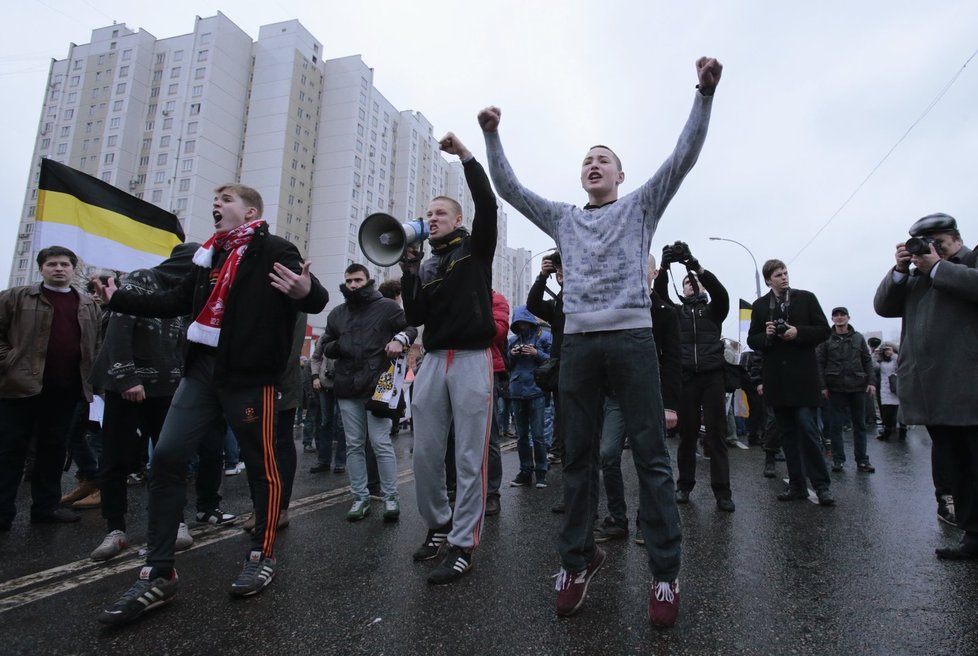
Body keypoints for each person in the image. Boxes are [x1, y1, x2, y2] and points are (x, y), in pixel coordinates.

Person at [481, 56, 722, 627]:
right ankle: (577, 560)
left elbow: (683, 155)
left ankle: (665, 574)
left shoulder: (641, 205)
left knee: (651, 459)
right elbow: (509, 188)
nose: (593, 164)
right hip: (581, 348)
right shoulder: (563, 218)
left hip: (633, 339)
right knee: (578, 457)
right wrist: (492, 135)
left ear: (619, 174)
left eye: (603, 159)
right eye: (587, 160)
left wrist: (704, 94)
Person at [94, 183, 328, 625]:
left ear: (251, 210)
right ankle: (159, 572)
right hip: (201, 372)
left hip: (249, 377)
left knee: (263, 466)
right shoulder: (209, 256)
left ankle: (262, 553)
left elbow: (315, 297)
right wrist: (118, 297)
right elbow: (174, 301)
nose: (215, 206)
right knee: (165, 456)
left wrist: (305, 291)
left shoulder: (276, 248)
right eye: (214, 199)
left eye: (225, 200)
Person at [400, 131, 498, 585]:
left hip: (473, 358)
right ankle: (439, 525)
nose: (431, 218)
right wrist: (407, 269)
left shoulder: (474, 249)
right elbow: (416, 314)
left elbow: (489, 205)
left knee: (468, 455)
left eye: (440, 212)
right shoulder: (428, 263)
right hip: (435, 360)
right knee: (425, 453)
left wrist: (466, 157)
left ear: (457, 219)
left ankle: (463, 543)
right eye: (428, 213)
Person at [874, 213, 978, 557]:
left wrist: (937, 267)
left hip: (968, 385)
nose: (934, 250)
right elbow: (883, 306)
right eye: (926, 244)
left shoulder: (968, 262)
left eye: (940, 244)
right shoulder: (917, 276)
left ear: (956, 239)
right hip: (932, 387)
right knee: (956, 466)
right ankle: (972, 535)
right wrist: (902, 270)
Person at [0, 246, 100, 530]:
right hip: (19, 387)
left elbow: (96, 344)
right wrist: (8, 361)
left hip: (65, 390)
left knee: (53, 450)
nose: (59, 269)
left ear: (72, 269)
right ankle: (2, 512)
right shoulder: (17, 297)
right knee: (10, 451)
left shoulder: (86, 304)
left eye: (64, 264)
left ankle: (45, 508)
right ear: (41, 268)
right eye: (52, 264)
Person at [320, 263, 416, 523]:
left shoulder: (386, 307)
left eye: (357, 280)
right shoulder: (338, 313)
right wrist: (339, 345)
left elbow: (410, 327)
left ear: (368, 280)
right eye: (349, 280)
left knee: (381, 443)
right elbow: (325, 343)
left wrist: (400, 340)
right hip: (347, 386)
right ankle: (360, 497)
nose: (353, 285)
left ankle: (391, 496)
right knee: (353, 445)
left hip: (380, 384)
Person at [599, 254, 682, 544]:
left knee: (649, 459)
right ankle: (616, 518)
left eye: (641, 268)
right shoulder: (613, 306)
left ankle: (648, 520)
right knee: (608, 455)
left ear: (653, 272)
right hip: (615, 396)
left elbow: (672, 361)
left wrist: (670, 405)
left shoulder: (665, 312)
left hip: (650, 395)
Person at [747, 260, 833, 506]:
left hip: (804, 379)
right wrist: (768, 336)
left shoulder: (805, 298)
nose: (784, 277)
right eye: (778, 275)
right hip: (777, 380)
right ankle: (796, 485)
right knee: (787, 435)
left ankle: (821, 485)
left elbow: (823, 331)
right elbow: (753, 339)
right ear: (768, 280)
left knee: (808, 430)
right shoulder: (761, 306)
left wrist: (798, 333)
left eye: (785, 273)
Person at [655, 243, 733, 511]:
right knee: (687, 435)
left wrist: (694, 265)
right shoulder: (675, 313)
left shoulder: (714, 310)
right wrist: (664, 266)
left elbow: (721, 294)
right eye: (688, 283)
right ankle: (684, 485)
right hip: (685, 378)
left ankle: (722, 492)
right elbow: (659, 293)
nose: (692, 285)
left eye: (696, 282)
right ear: (684, 288)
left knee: (716, 435)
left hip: (713, 376)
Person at [815, 307, 876, 473]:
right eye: (836, 316)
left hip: (857, 386)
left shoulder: (858, 338)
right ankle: (838, 459)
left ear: (848, 317)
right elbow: (819, 363)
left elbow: (867, 360)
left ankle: (862, 460)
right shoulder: (826, 339)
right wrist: (823, 386)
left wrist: (871, 382)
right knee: (836, 426)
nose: (840, 318)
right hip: (835, 388)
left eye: (842, 315)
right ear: (832, 319)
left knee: (860, 425)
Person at [507, 305, 552, 488]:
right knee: (522, 436)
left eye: (525, 322)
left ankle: (541, 472)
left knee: (539, 435)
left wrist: (536, 353)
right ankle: (525, 472)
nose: (523, 326)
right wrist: (512, 355)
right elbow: (507, 365)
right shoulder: (512, 341)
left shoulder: (544, 337)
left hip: (537, 391)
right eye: (519, 323)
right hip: (517, 391)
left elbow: (553, 360)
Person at [485, 290, 511, 516]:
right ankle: (457, 489)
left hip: (486, 370)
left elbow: (498, 332)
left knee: (488, 436)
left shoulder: (496, 299)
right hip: (453, 367)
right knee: (454, 437)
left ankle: (492, 493)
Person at [310, 338, 346, 474]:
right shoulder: (324, 337)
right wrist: (315, 377)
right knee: (325, 422)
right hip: (325, 386)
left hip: (343, 386)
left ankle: (340, 463)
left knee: (342, 425)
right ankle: (324, 461)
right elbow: (315, 358)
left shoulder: (348, 332)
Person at [875, 342, 906, 442]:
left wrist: (893, 354)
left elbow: (900, 364)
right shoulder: (881, 361)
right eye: (885, 350)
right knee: (887, 413)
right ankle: (887, 432)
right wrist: (875, 355)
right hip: (885, 389)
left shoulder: (896, 359)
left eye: (889, 349)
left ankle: (903, 431)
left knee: (899, 412)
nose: (887, 351)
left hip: (897, 388)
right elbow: (874, 367)